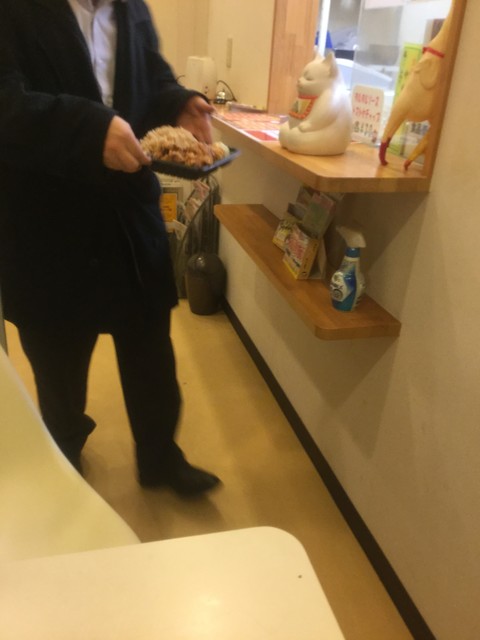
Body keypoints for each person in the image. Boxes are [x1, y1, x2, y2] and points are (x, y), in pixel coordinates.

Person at [0, 0, 221, 496]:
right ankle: (65, 453)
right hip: (48, 220)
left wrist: (178, 101)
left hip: (129, 214)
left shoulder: (132, 8)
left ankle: (160, 458)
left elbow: (151, 77)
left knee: (151, 351)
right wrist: (88, 129)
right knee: (59, 361)